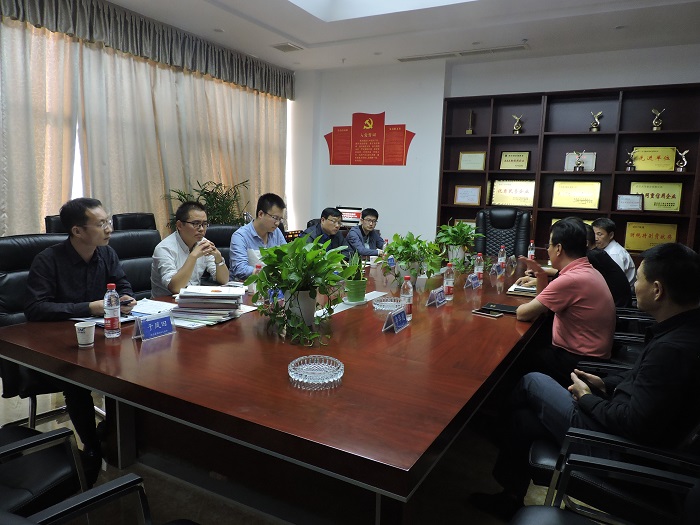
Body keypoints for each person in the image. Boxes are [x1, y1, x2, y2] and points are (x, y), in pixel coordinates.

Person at [471, 242, 700, 521]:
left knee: (531, 381)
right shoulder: (683, 331)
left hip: (620, 451)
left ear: (657, 290)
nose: (634, 286)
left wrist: (587, 398)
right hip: (621, 428)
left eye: (639, 279)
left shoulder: (672, 350)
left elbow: (634, 424)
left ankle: (486, 425)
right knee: (522, 420)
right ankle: (509, 495)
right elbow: (642, 381)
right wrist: (605, 383)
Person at [24, 197, 137, 485]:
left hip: (101, 338)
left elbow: (122, 285)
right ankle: (92, 447)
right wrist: (89, 307)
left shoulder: (107, 254)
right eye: (101, 224)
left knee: (136, 366)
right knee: (77, 381)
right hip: (58, 346)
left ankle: (117, 433)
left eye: (108, 221)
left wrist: (125, 298)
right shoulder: (48, 260)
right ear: (77, 231)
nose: (109, 229)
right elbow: (35, 308)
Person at [516, 217, 616, 387]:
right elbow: (543, 307)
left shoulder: (572, 279)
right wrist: (540, 275)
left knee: (516, 358)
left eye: (549, 245)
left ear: (559, 248)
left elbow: (523, 313)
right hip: (591, 356)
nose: (548, 249)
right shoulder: (586, 269)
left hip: (579, 363)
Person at [516, 224, 632, 307]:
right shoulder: (597, 254)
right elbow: (564, 275)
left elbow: (564, 283)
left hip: (618, 312)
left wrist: (539, 279)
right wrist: (543, 271)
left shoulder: (591, 258)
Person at [151, 201, 228, 297]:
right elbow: (175, 288)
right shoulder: (164, 249)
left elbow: (224, 280)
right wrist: (193, 256)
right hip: (166, 302)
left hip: (194, 299)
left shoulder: (204, 243)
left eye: (204, 224)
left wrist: (218, 258)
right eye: (196, 223)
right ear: (179, 225)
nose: (201, 229)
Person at [229, 193, 287, 281]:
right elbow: (240, 269)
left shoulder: (277, 233)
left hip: (270, 285)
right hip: (245, 286)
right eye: (275, 218)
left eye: (280, 219)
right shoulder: (240, 236)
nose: (277, 223)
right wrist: (267, 273)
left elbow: (286, 259)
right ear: (260, 214)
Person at [591, 217, 636, 285]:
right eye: (594, 234)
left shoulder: (614, 254)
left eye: (599, 234)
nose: (595, 238)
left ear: (611, 235)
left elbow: (615, 281)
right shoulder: (605, 249)